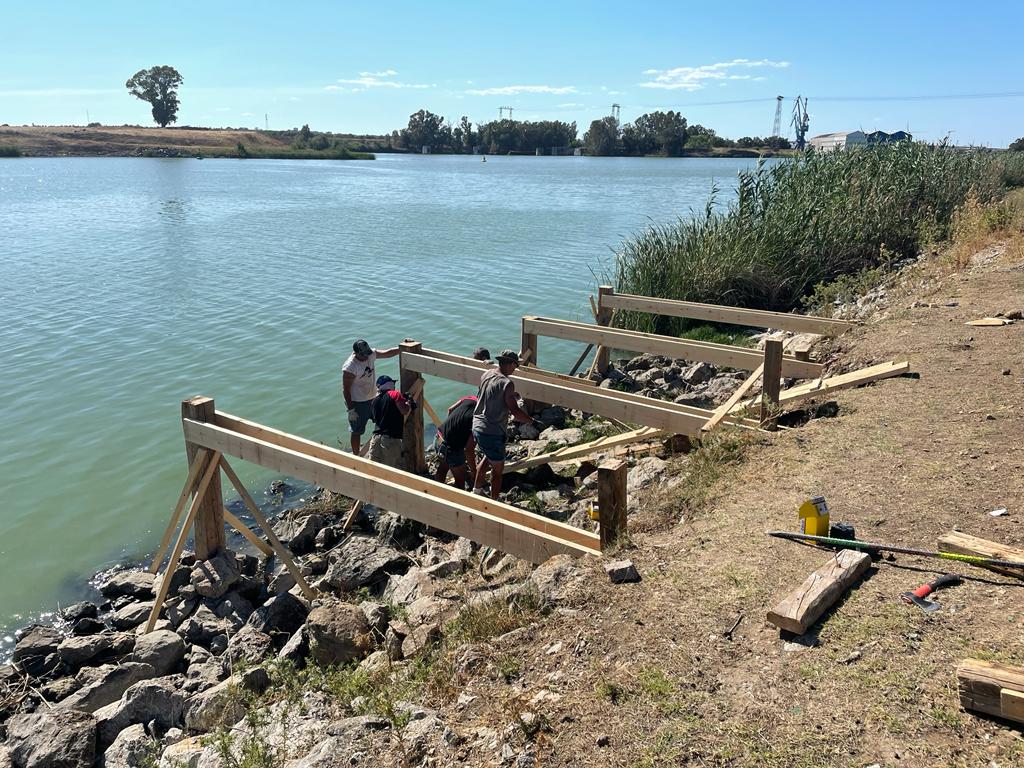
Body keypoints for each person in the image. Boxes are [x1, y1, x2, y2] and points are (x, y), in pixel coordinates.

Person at [471, 350, 543, 499]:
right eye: (515, 365)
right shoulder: (507, 383)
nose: (515, 369)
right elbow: (515, 411)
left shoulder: (487, 374)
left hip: (477, 425)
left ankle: (476, 491)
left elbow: (489, 395)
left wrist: (509, 397)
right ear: (509, 363)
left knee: (487, 457)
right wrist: (532, 422)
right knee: (498, 471)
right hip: (491, 430)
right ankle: (494, 503)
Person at [342, 339, 399, 454]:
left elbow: (387, 353)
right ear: (356, 353)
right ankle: (356, 455)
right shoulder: (350, 367)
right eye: (364, 355)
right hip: (358, 403)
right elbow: (346, 390)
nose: (367, 357)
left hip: (373, 398)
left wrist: (401, 348)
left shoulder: (370, 355)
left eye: (368, 353)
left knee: (384, 422)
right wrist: (351, 410)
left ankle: (381, 448)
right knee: (356, 431)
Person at [368, 375, 414, 467]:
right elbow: (404, 410)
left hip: (375, 439)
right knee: (395, 470)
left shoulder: (374, 400)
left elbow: (375, 418)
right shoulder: (395, 394)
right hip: (390, 440)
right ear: (390, 384)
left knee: (375, 470)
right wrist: (409, 403)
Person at [433, 395, 477, 490]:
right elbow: (469, 450)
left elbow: (450, 409)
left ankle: (435, 493)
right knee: (460, 481)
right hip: (452, 449)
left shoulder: (470, 398)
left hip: (439, 437)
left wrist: (453, 429)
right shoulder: (480, 417)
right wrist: (474, 471)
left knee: (443, 468)